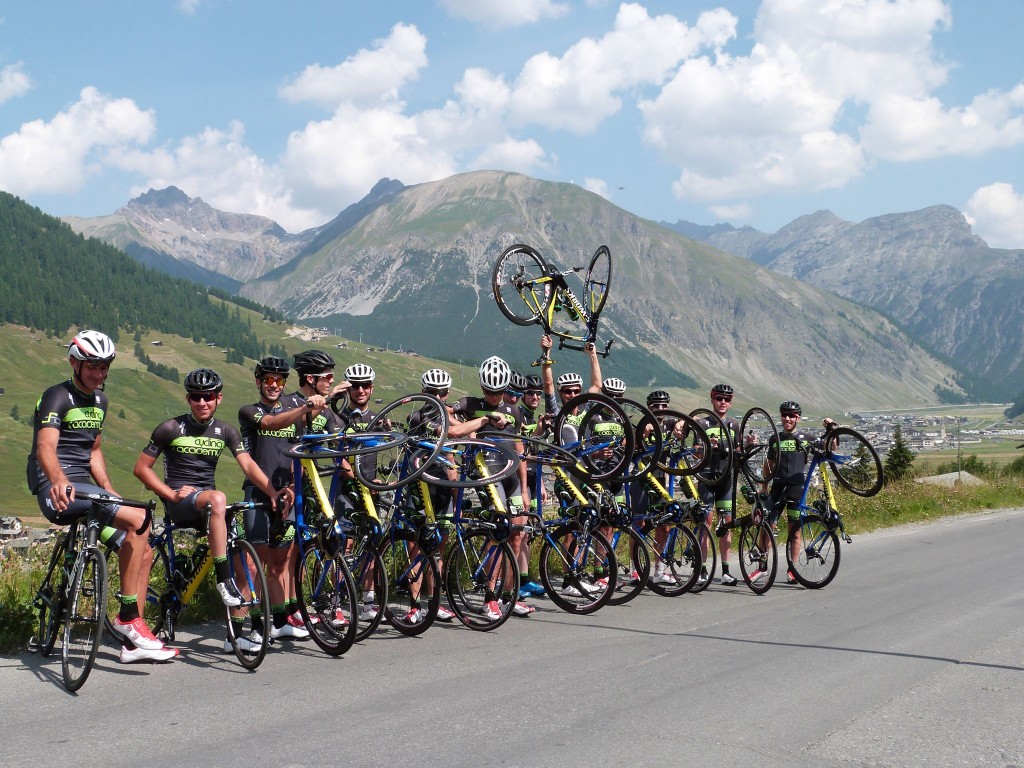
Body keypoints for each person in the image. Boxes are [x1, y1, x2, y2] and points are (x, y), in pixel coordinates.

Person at [30, 330, 176, 663]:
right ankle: (128, 617)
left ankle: (133, 642)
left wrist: (110, 490)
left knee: (141, 548)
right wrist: (59, 480)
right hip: (54, 488)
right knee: (140, 519)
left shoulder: (100, 401)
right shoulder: (56, 397)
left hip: (88, 490)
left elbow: (94, 450)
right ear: (74, 363)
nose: (99, 373)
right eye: (92, 366)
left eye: (104, 367)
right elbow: (45, 448)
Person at [133, 368, 290, 652]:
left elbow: (248, 466)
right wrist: (169, 493)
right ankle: (222, 579)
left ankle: (235, 635)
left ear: (218, 398)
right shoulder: (170, 428)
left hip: (208, 505)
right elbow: (141, 468)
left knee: (245, 560)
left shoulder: (225, 431)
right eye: (196, 397)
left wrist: (272, 493)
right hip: (182, 504)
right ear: (188, 399)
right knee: (218, 498)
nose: (202, 402)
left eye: (208, 397)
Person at [451, 356, 534, 618]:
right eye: (489, 391)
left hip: (511, 477)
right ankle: (489, 597)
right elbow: (443, 413)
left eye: (498, 392)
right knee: (499, 532)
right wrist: (472, 427)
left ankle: (509, 596)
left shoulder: (514, 412)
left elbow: (520, 450)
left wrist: (525, 489)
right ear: (482, 387)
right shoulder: (470, 404)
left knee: (517, 536)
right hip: (486, 475)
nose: (494, 396)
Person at [237, 356, 312, 641]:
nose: (273, 385)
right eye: (268, 379)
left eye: (279, 381)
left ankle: (279, 622)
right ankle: (255, 625)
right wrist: (271, 492)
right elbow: (270, 423)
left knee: (280, 562)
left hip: (286, 496)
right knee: (256, 563)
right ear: (258, 381)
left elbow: (299, 455)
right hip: (258, 492)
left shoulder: (295, 415)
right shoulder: (249, 411)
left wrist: (291, 489)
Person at [761, 401, 835, 583]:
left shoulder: (807, 437)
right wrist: (764, 486)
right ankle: (762, 565)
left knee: (795, 531)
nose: (787, 419)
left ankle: (792, 569)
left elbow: (831, 447)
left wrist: (832, 428)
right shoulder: (774, 439)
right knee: (767, 526)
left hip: (796, 489)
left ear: (798, 418)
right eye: (784, 415)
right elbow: (769, 464)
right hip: (777, 487)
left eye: (791, 416)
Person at [698, 384, 740, 586]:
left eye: (727, 399)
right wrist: (707, 446)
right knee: (705, 524)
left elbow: (738, 450)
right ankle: (702, 570)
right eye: (719, 398)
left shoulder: (734, 425)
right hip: (706, 478)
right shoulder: (703, 423)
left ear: (730, 403)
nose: (723, 402)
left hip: (725, 479)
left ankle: (725, 571)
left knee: (727, 524)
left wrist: (748, 444)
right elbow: (695, 451)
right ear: (712, 400)